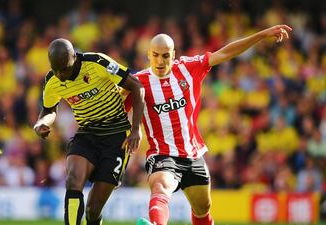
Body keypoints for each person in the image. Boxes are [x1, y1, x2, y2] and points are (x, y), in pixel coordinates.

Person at [126, 25, 292, 225]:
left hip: (193, 155)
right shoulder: (137, 83)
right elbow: (115, 110)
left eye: (165, 56)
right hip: (162, 154)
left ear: (174, 55)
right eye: (155, 55)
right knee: (161, 186)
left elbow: (226, 52)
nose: (160, 61)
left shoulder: (188, 68)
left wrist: (261, 35)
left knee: (203, 209)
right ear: (148, 55)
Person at [33, 38, 144, 225]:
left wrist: (136, 129)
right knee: (73, 179)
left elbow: (136, 86)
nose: (60, 75)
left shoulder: (97, 63)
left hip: (116, 136)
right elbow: (49, 109)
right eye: (55, 69)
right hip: (87, 134)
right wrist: (41, 123)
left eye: (64, 69)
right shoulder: (52, 80)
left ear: (74, 58)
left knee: (93, 211)